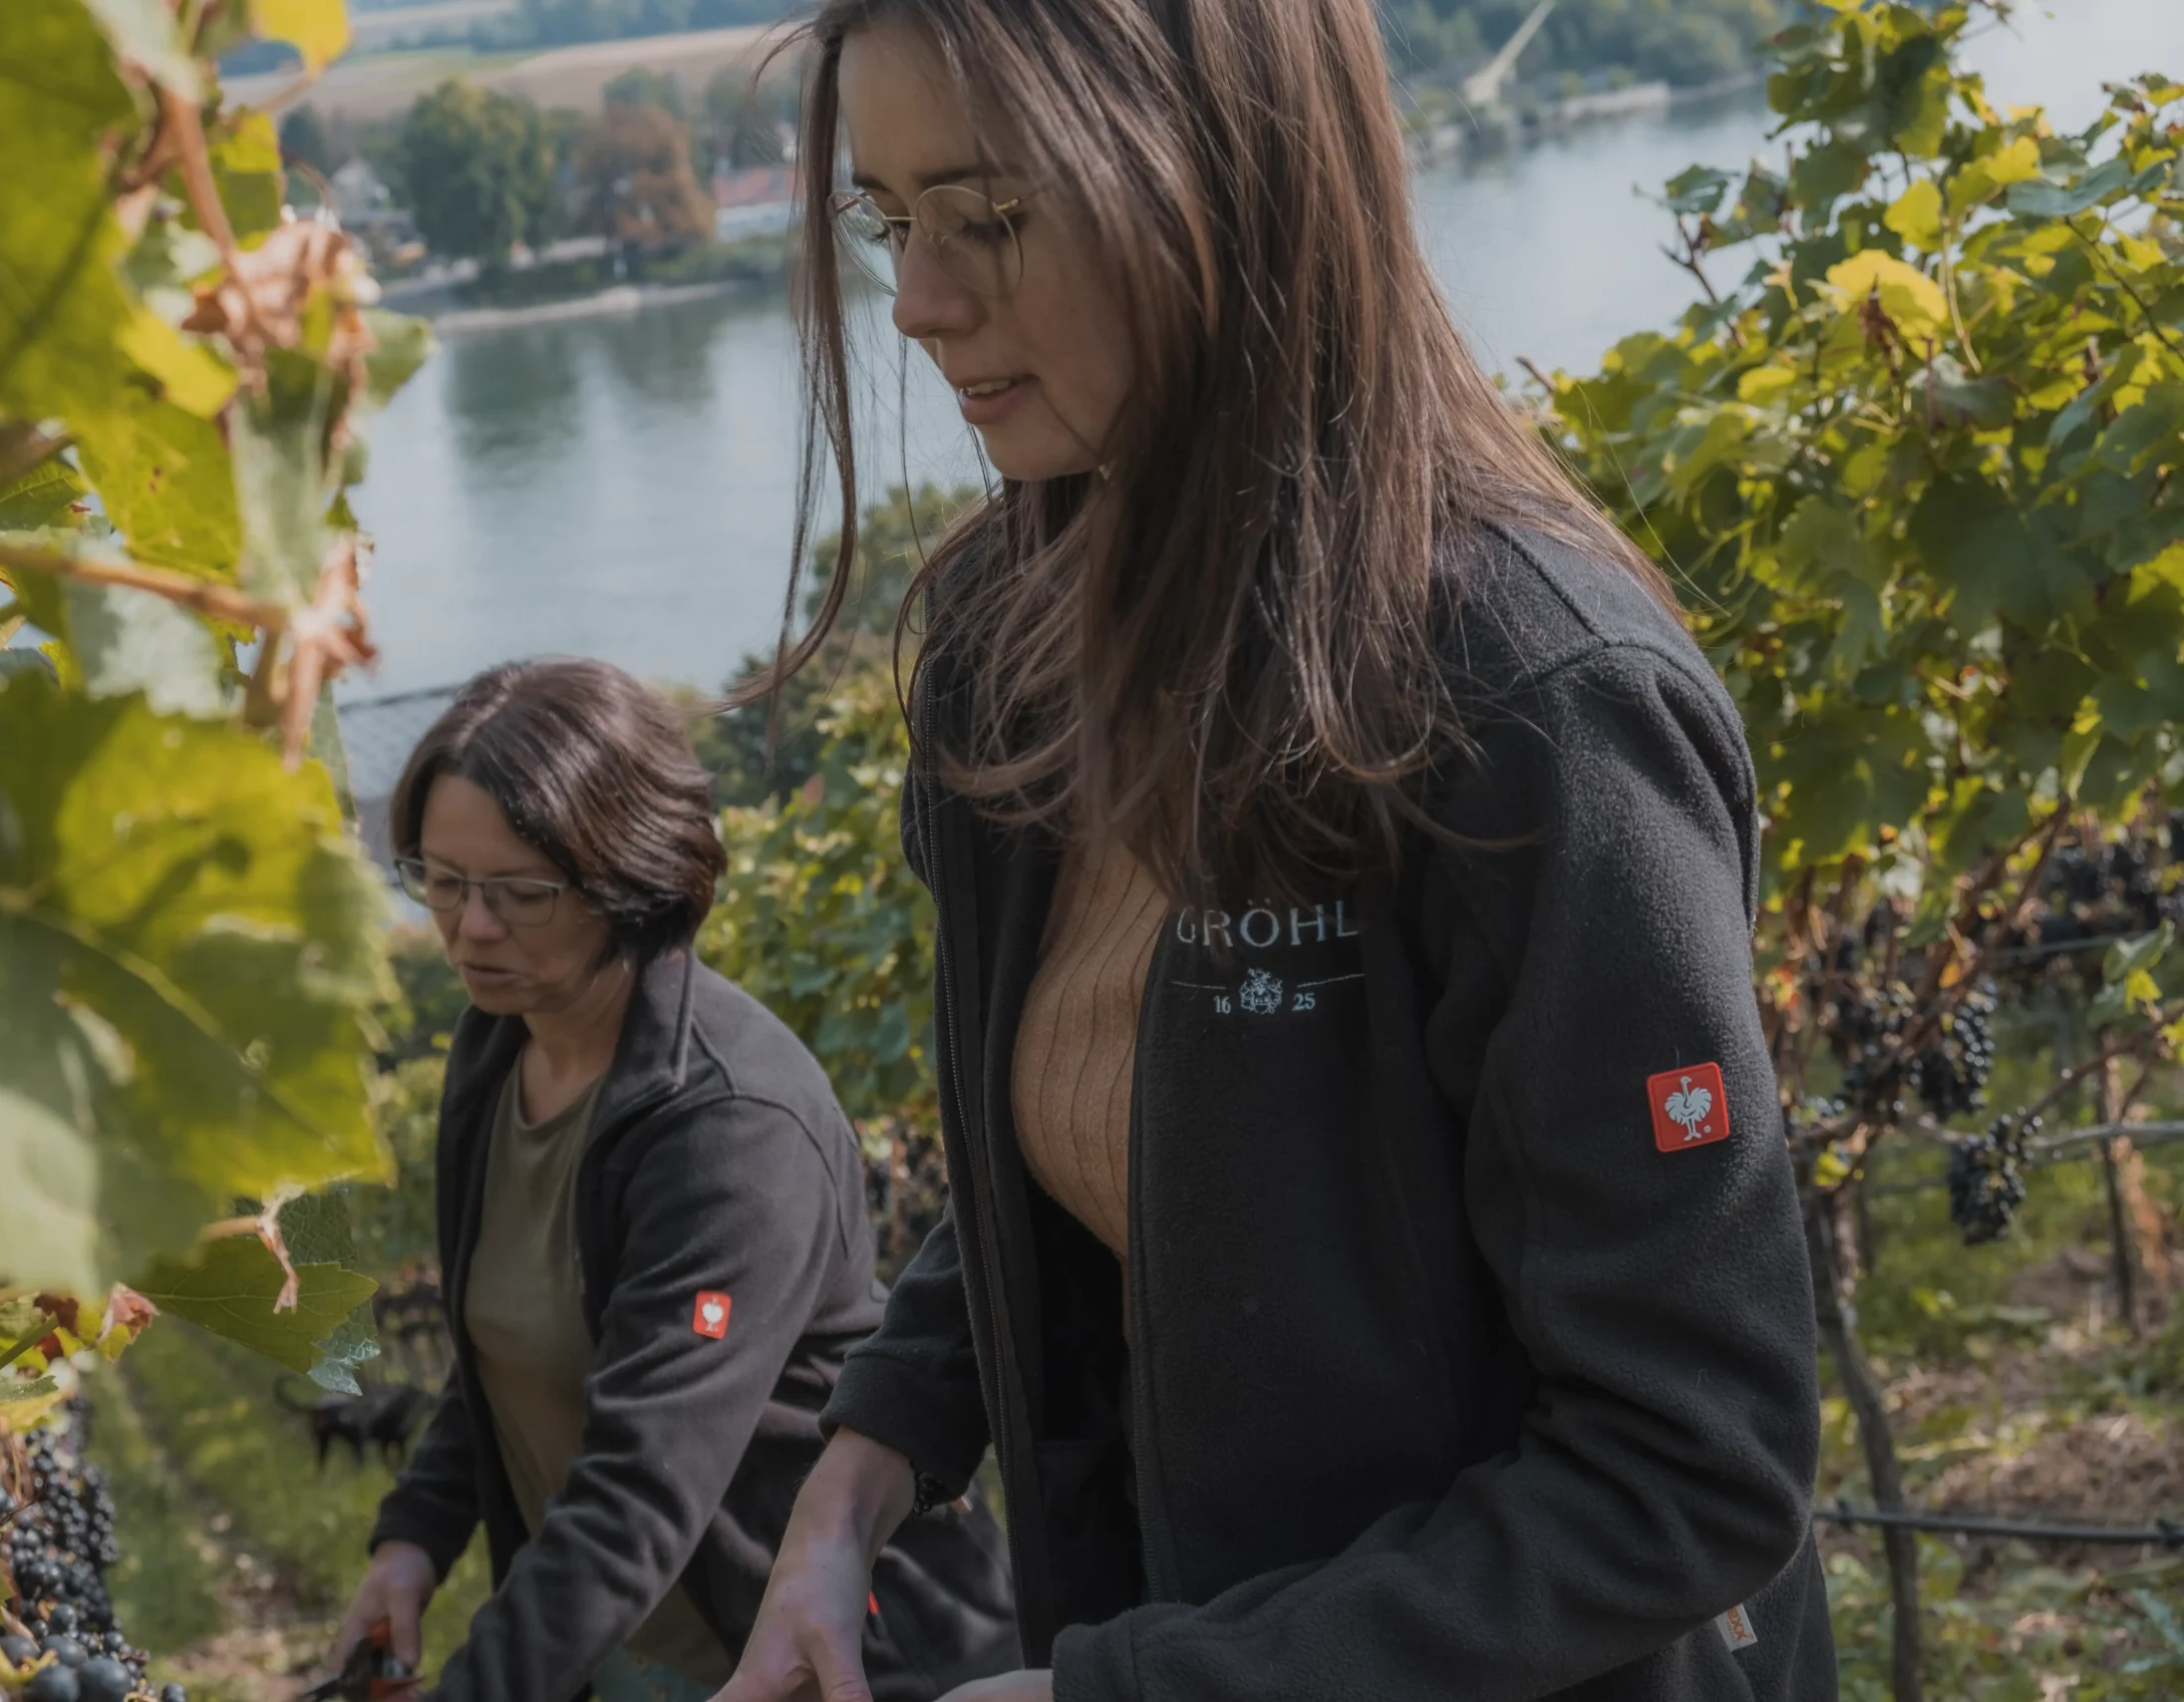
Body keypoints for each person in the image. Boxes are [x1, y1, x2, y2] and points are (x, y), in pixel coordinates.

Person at [716, 0, 1837, 1698]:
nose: (921, 304)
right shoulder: (1009, 642)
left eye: (992, 214)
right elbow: (1124, 1161)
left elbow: (1692, 1466)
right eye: (890, 222)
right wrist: (862, 1471)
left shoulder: (1530, 705)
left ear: (1221, 175)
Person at [331, 658, 1018, 1702]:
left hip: (813, 1662)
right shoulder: (497, 1049)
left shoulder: (729, 1130)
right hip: (624, 1648)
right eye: (441, 879)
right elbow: (501, 1348)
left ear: (628, 875)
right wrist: (413, 1542)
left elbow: (636, 1492)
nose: (469, 927)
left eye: (519, 892)